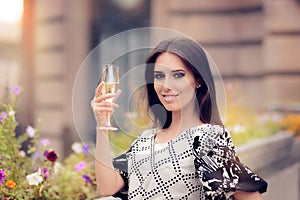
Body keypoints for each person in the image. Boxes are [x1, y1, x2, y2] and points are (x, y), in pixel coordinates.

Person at [91, 37, 268, 199]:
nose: (166, 86)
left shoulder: (207, 139)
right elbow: (108, 187)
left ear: (198, 80)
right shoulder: (145, 140)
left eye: (178, 75)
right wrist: (102, 124)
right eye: (159, 76)